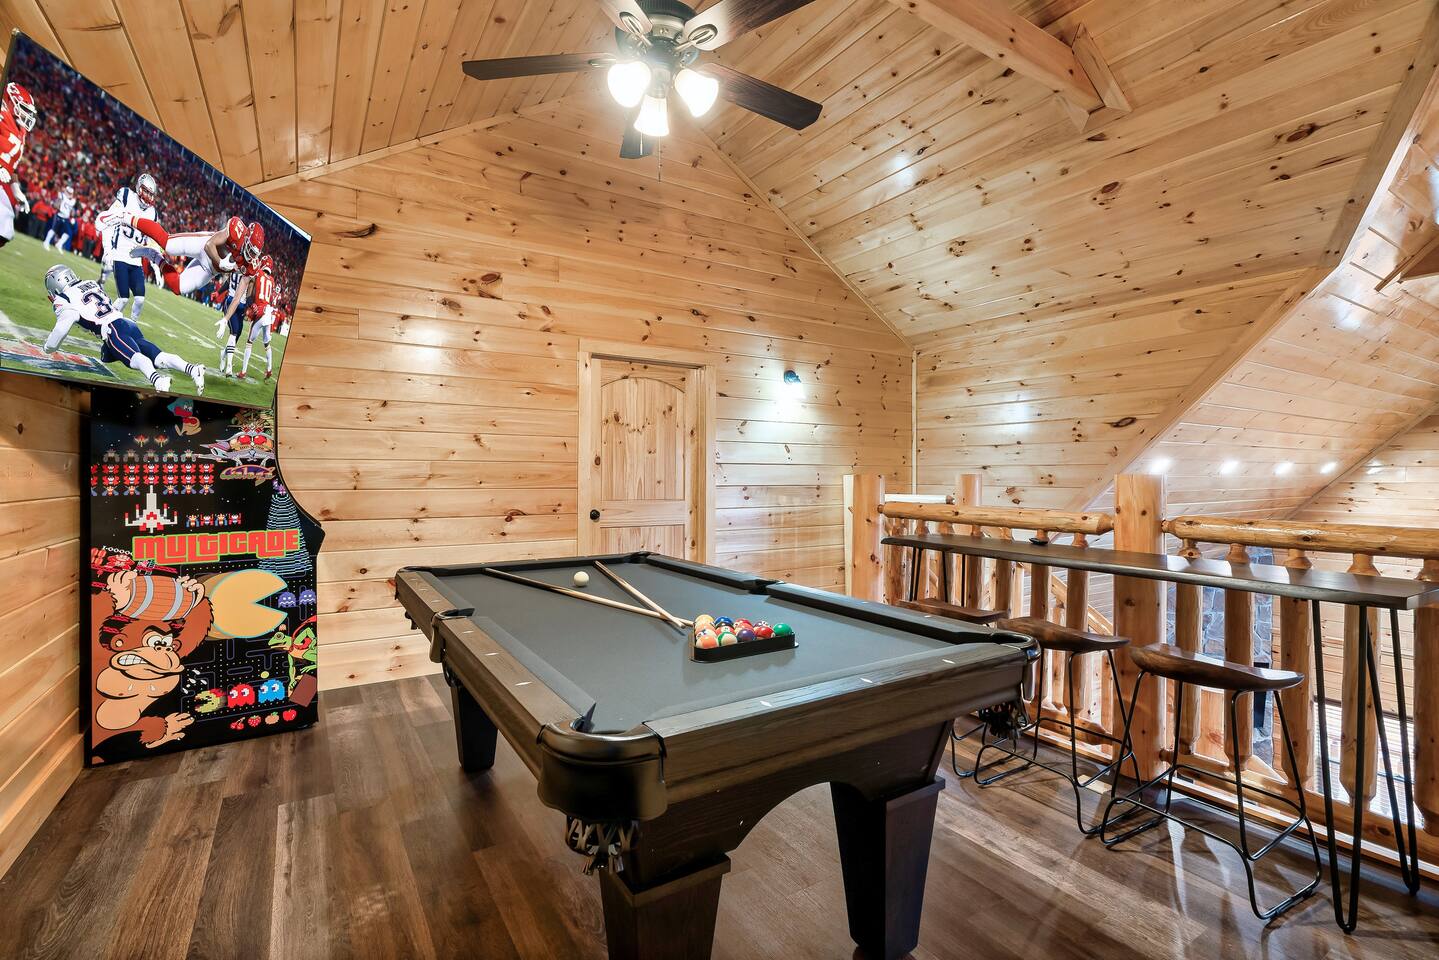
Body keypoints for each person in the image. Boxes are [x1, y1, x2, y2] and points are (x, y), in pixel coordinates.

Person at [41, 264, 205, 395]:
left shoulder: (63, 299)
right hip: (126, 324)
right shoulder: (91, 283)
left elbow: (61, 329)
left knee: (135, 358)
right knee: (158, 357)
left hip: (112, 329)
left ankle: (158, 381)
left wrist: (48, 348)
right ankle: (193, 369)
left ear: (56, 285)